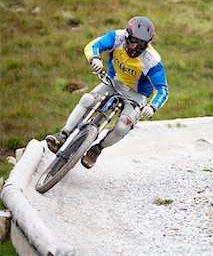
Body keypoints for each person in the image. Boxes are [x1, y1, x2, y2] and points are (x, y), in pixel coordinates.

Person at [46, 16, 169, 169]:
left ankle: (97, 149)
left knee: (123, 127)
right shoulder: (116, 37)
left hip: (136, 94)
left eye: (142, 44)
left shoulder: (152, 60)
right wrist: (95, 58)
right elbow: (93, 46)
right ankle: (63, 135)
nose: (136, 47)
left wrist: (152, 107)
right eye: (134, 41)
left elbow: (162, 89)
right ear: (127, 35)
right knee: (87, 100)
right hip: (113, 81)